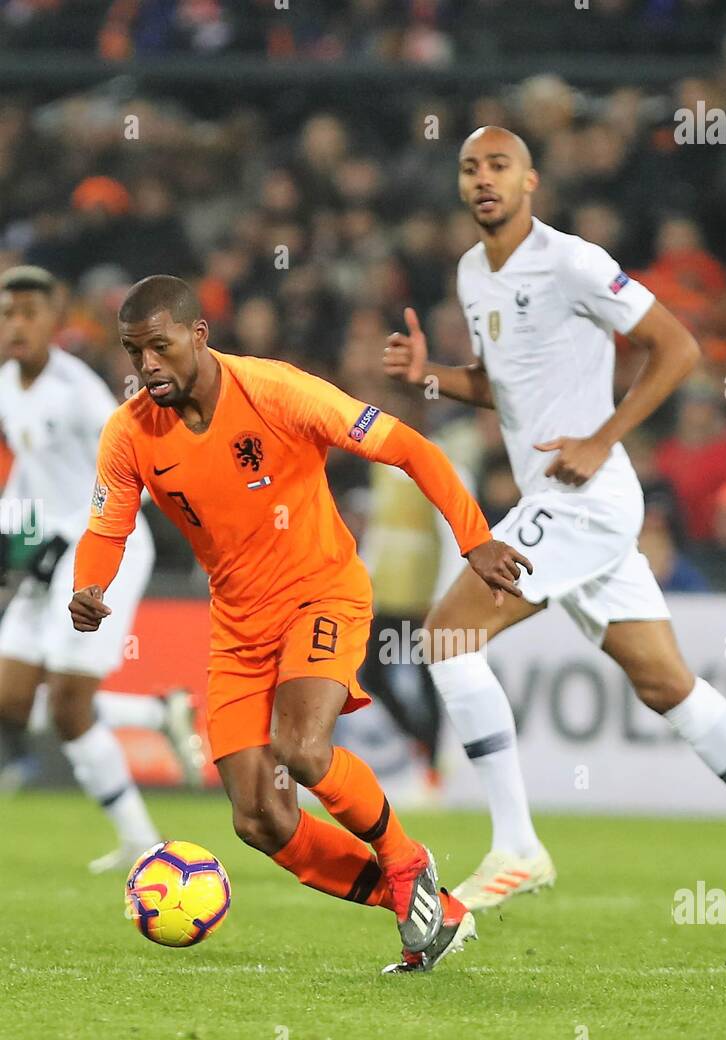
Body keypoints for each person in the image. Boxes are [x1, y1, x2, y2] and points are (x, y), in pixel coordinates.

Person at [383, 126, 726, 944]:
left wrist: (603, 436)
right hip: (560, 495)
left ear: (531, 179)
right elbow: (505, 390)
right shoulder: (470, 274)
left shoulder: (572, 260)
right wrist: (431, 376)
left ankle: (516, 844)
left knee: (449, 634)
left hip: (587, 493)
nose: (483, 179)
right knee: (665, 684)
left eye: (499, 165)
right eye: (469, 168)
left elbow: (678, 347)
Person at [69, 274, 530, 972]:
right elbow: (107, 527)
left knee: (303, 750)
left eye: (159, 348)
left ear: (199, 334)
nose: (147, 367)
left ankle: (407, 861)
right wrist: (88, 586)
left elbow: (409, 448)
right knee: (260, 818)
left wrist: (475, 538)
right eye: (135, 352)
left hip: (321, 595)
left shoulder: (277, 391)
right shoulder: (129, 431)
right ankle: (430, 909)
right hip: (238, 627)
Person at [0, 265, 201, 871]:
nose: (16, 325)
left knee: (67, 706)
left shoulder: (81, 393)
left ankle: (141, 840)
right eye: (8, 314)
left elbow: (134, 474)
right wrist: (17, 538)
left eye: (29, 314)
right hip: (47, 553)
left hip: (105, 549)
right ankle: (155, 712)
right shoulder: (9, 384)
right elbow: (32, 475)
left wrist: (77, 536)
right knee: (10, 699)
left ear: (56, 321)